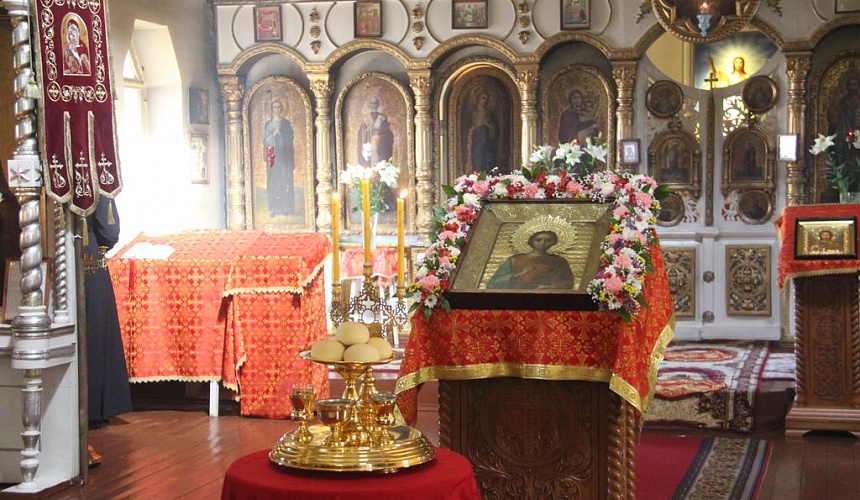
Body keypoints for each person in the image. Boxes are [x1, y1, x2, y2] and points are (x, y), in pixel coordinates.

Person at [83, 196, 132, 464]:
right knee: (95, 331)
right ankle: (95, 409)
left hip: (57, 255)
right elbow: (109, 230)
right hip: (89, 256)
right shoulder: (95, 177)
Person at [486, 230, 575, 290]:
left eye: (548, 240)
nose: (543, 243)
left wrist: (549, 287)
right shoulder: (516, 260)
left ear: (553, 242)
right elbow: (493, 283)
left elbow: (567, 282)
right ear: (531, 241)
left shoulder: (559, 262)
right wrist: (518, 275)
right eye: (538, 240)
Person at [263, 99, 296, 216]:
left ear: (281, 109)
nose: (276, 109)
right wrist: (273, 135)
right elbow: (266, 141)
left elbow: (290, 138)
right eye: (274, 107)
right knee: (273, 181)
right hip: (272, 155)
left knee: (284, 180)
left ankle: (286, 209)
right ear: (271, 109)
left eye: (278, 107)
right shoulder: (269, 124)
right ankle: (274, 209)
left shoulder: (286, 123)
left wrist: (281, 134)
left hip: (284, 156)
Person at [356, 96, 394, 167]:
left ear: (378, 104)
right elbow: (361, 135)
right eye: (372, 103)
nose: (373, 105)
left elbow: (388, 134)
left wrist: (380, 135)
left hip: (380, 148)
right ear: (369, 105)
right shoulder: (365, 119)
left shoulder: (382, 118)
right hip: (368, 147)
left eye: (375, 103)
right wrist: (366, 133)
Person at [828, 74, 860, 157]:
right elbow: (833, 119)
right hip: (844, 132)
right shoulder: (842, 102)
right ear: (846, 86)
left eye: (854, 85)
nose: (852, 87)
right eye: (850, 85)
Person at [468, 91, 499, 173]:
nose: (485, 101)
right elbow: (470, 126)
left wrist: (488, 126)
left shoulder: (488, 113)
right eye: (483, 98)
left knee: (486, 160)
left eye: (486, 99)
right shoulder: (473, 112)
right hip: (476, 140)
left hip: (485, 140)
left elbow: (493, 129)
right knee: (477, 160)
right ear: (478, 98)